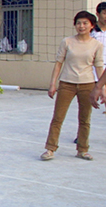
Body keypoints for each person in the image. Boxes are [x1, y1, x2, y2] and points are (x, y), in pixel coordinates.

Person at [41, 10, 103, 161]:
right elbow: (58, 63)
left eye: (85, 23)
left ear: (92, 26)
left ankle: (82, 149)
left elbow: (99, 67)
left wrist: (102, 88)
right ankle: (50, 149)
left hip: (87, 84)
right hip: (67, 83)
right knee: (58, 117)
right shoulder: (67, 42)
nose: (81, 26)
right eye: (78, 23)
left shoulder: (97, 45)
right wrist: (53, 84)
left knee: (85, 119)